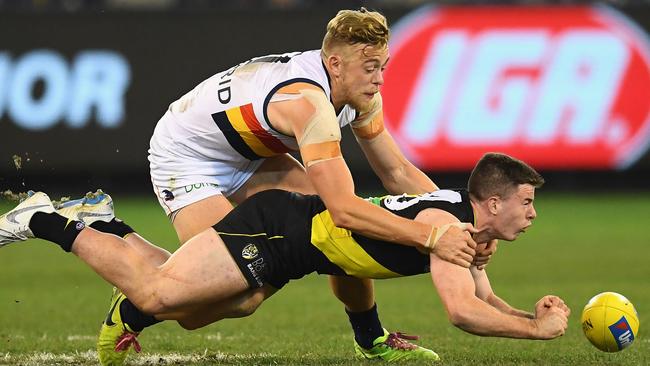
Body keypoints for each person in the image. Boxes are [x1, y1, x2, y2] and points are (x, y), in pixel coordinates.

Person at [0, 153, 571, 366]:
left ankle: (105, 223)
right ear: (493, 202)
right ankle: (43, 219)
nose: (533, 213)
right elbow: (462, 312)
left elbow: (482, 295)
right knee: (155, 294)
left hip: (295, 245)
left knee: (223, 306)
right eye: (527, 202)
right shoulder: (446, 226)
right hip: (278, 230)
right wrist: (538, 335)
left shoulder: (464, 226)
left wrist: (527, 314)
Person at [136, 6, 478, 361]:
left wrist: (461, 222)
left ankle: (371, 338)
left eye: (382, 67)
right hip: (188, 157)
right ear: (334, 64)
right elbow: (344, 210)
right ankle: (122, 269)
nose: (379, 80)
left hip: (252, 155)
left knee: (333, 233)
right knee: (241, 297)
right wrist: (433, 237)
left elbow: (398, 173)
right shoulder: (307, 103)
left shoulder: (359, 95)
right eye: (370, 68)